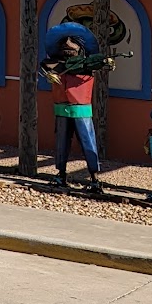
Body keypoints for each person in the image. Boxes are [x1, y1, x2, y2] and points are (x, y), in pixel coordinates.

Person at [40, 24, 112, 197]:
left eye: (72, 43)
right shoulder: (54, 64)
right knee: (61, 143)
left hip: (81, 109)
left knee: (88, 142)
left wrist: (106, 63)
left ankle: (94, 178)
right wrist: (47, 73)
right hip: (62, 109)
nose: (67, 45)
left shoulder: (87, 65)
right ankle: (61, 174)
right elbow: (44, 66)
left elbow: (99, 63)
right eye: (64, 43)